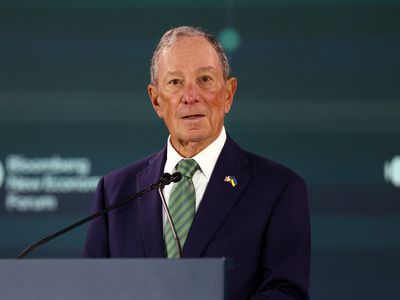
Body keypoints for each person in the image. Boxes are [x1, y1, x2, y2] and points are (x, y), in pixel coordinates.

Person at [83, 26, 310, 300]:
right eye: (175, 82)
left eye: (204, 79)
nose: (190, 96)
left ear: (228, 94)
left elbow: (285, 293)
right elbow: (92, 291)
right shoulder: (115, 192)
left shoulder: (279, 189)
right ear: (156, 100)